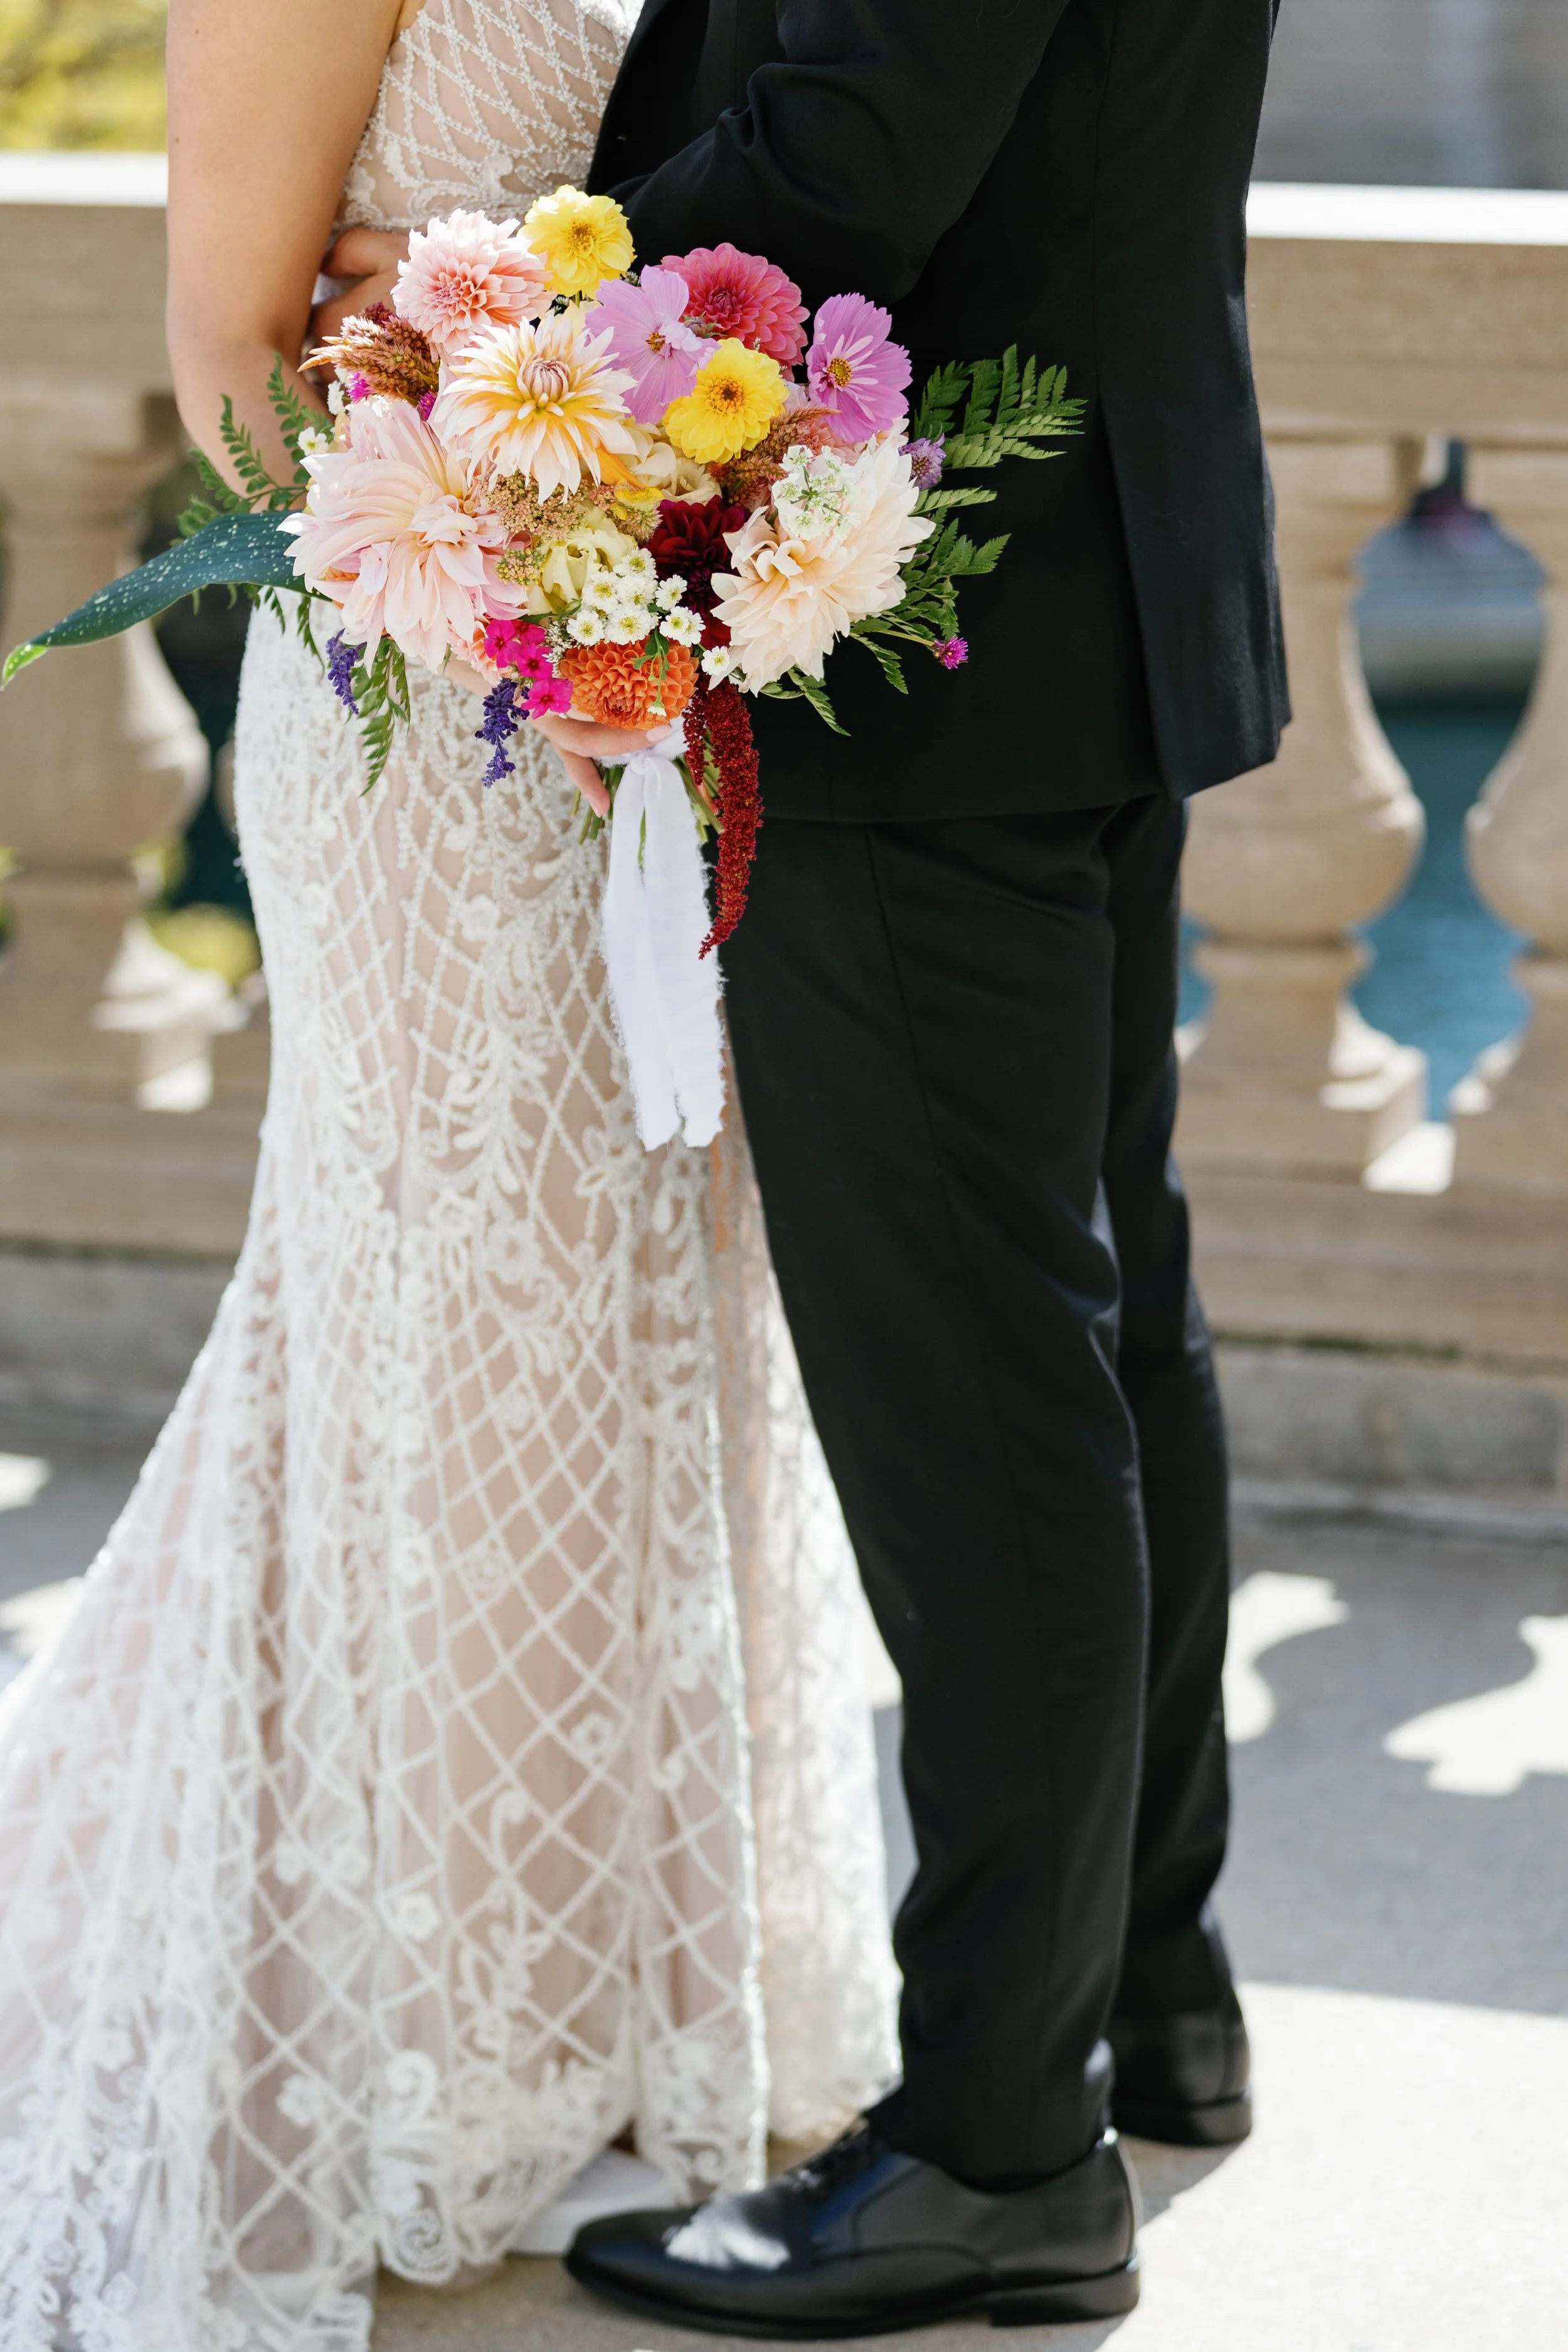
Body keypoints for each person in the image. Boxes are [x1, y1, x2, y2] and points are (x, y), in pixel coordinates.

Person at [0, 4, 898, 2345]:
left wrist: (654, 582)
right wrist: (509, 583)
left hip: (640, 701)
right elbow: (228, 341)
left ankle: (598, 2003)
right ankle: (414, 2037)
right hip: (424, 703)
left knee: (643, 1308)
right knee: (438, 1330)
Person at [564, 0, 1288, 2334]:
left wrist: (497, 304)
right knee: (1098, 1323)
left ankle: (999, 2137)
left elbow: (857, 151)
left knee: (982, 1399)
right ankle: (1144, 1987)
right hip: (1099, 582)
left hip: (919, 632)